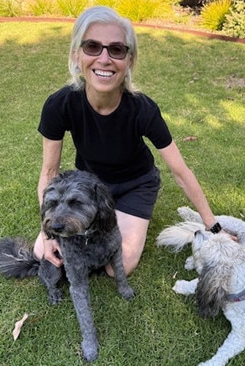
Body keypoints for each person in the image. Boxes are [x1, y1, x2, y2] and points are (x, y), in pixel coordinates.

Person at [33, 6, 227, 276]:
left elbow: (180, 172)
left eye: (116, 50)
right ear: (76, 55)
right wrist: (48, 232)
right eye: (92, 47)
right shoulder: (59, 105)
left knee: (118, 266)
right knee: (42, 252)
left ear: (129, 61)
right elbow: (50, 173)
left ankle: (114, 224)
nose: (104, 59)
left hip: (137, 185)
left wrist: (213, 227)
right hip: (90, 188)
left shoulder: (143, 110)